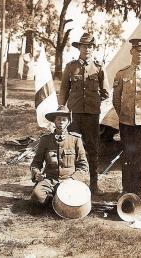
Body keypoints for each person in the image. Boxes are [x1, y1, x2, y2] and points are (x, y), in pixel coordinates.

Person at [59, 33, 108, 195]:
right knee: (71, 147)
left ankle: (94, 185)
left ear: (93, 49)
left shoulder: (99, 67)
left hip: (92, 115)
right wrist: (62, 107)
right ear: (79, 48)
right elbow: (64, 90)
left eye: (90, 46)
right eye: (84, 46)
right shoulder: (71, 67)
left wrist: (94, 101)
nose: (87, 49)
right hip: (74, 114)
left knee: (93, 149)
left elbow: (106, 92)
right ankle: (69, 184)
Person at [112, 38, 141, 202]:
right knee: (127, 155)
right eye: (137, 51)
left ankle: (137, 190)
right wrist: (123, 114)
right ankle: (126, 188)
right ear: (131, 52)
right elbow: (116, 99)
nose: (139, 54)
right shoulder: (122, 73)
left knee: (139, 155)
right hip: (126, 122)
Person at [30, 106, 89, 205]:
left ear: (68, 122)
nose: (61, 122)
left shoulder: (75, 139)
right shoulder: (45, 140)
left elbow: (83, 166)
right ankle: (53, 198)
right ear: (54, 121)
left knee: (74, 199)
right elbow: (36, 163)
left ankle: (55, 199)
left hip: (69, 181)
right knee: (37, 196)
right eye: (58, 119)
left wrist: (72, 179)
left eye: (64, 119)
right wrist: (36, 174)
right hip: (49, 180)